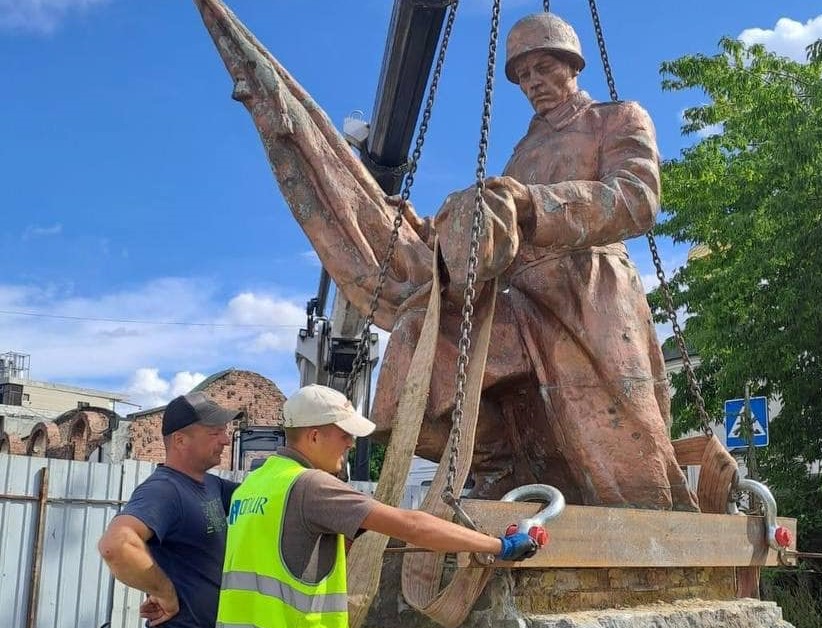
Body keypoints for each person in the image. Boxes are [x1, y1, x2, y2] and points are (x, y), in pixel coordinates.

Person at [196, 3, 698, 511]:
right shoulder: (524, 149)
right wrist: (419, 228)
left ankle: (648, 518)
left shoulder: (615, 118)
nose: (534, 82)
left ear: (572, 65)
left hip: (587, 293)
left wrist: (528, 202)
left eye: (544, 67)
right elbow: (489, 231)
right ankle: (498, 465)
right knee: (421, 341)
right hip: (520, 298)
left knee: (613, 445)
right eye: (524, 75)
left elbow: (637, 199)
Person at [213, 384, 539, 628]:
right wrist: (499, 545)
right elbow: (413, 526)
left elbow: (283, 563)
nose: (351, 443)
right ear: (313, 436)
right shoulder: (310, 485)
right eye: (343, 434)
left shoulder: (252, 487)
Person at [98, 392, 241, 628]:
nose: (226, 440)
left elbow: (267, 499)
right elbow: (116, 545)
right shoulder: (165, 489)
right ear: (180, 440)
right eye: (214, 432)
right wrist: (164, 592)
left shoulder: (212, 487)